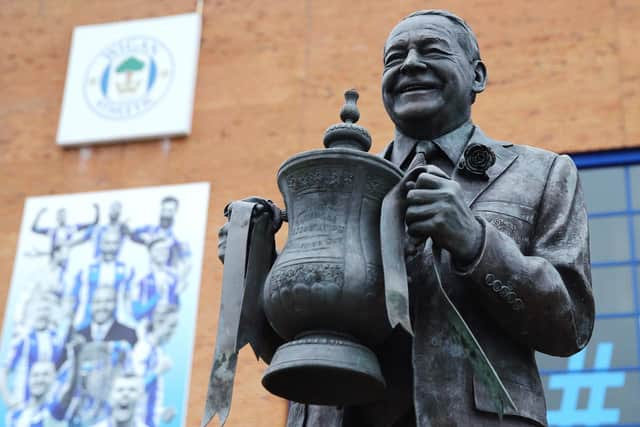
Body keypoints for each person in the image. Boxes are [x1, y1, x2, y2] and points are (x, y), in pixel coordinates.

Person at [219, 9, 594, 427]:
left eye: (431, 50)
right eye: (395, 58)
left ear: (477, 77)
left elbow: (570, 326)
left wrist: (474, 242)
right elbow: (302, 356)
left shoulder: (540, 175)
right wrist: (256, 272)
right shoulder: (336, 189)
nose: (411, 63)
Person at [0, 292, 68, 406]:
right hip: (23, 403)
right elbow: (4, 370)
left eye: (46, 309)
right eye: (39, 310)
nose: (42, 314)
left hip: (46, 406)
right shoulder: (22, 339)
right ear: (32, 312)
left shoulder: (56, 338)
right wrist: (8, 399)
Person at [71, 229, 135, 329]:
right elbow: (74, 298)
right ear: (100, 244)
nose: (111, 247)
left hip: (117, 321)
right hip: (86, 321)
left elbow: (129, 299)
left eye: (115, 243)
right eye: (107, 243)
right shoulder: (86, 269)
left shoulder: (127, 270)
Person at [132, 303, 178, 427]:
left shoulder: (158, 351)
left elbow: (149, 396)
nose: (174, 331)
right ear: (158, 322)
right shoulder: (142, 349)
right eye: (172, 326)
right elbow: (134, 388)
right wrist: (157, 371)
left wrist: (161, 412)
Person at [132, 238, 180, 322]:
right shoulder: (140, 278)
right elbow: (137, 313)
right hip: (145, 326)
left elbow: (177, 307)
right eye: (158, 250)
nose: (163, 253)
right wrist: (157, 296)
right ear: (150, 252)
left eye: (166, 250)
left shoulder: (174, 277)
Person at [5, 361, 65, 427]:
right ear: (28, 379)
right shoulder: (14, 415)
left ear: (54, 379)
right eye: (35, 375)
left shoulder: (55, 410)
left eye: (45, 375)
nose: (39, 379)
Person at [31, 205, 99, 260]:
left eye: (63, 215)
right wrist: (39, 214)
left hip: (66, 259)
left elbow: (94, 223)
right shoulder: (52, 231)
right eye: (60, 216)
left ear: (66, 216)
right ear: (57, 218)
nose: (62, 217)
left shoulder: (71, 228)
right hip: (54, 259)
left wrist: (97, 210)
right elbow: (34, 229)